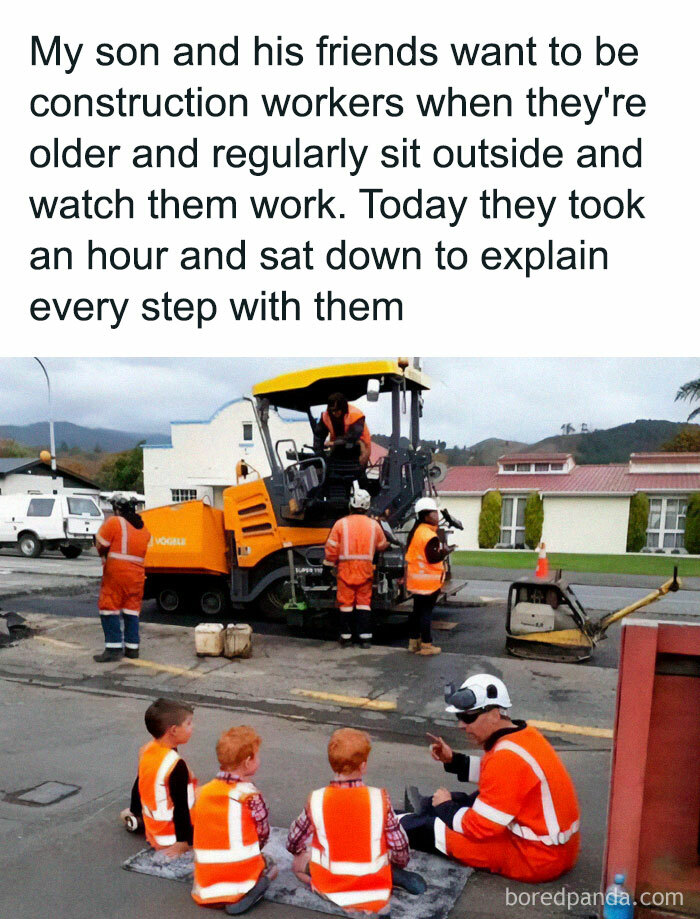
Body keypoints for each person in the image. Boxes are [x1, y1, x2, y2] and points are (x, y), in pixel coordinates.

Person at [400, 674, 580, 883]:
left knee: (433, 830)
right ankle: (425, 807)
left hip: (534, 858)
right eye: (459, 716)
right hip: (556, 849)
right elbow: (497, 777)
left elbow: (480, 828)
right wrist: (453, 760)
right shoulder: (523, 736)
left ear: (494, 714)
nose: (461, 725)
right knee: (466, 800)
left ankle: (390, 822)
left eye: (468, 717)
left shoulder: (507, 757)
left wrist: (445, 808)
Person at [286, 727, 425, 914]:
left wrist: (299, 853)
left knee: (298, 866)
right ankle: (391, 875)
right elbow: (399, 845)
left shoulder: (317, 798)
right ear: (363, 766)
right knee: (381, 854)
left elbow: (294, 839)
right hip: (374, 883)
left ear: (332, 763)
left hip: (333, 883)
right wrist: (397, 862)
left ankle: (334, 894)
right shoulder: (379, 797)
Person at [191, 726, 278, 915]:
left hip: (206, 886)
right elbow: (262, 833)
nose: (259, 760)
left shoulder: (203, 793)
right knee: (273, 868)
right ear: (248, 762)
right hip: (242, 876)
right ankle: (252, 890)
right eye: (257, 756)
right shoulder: (250, 796)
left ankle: (222, 892)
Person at [121, 698, 197, 858]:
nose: (192, 727)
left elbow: (140, 784)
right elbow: (181, 807)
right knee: (219, 800)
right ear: (173, 730)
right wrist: (183, 843)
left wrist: (135, 810)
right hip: (171, 835)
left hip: (154, 827)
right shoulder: (176, 765)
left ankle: (136, 818)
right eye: (189, 723)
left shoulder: (147, 750)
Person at [324, 482, 388, 648]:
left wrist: (328, 565)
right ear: (367, 506)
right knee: (363, 604)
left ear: (351, 504)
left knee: (345, 605)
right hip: (365, 570)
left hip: (345, 570)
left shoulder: (340, 524)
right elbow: (382, 545)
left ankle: (346, 637)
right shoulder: (374, 525)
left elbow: (331, 548)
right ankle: (365, 639)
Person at [93, 492, 150, 663]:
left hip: (117, 575)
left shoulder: (114, 522)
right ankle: (132, 648)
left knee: (108, 608)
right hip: (137, 577)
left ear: (117, 509)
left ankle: (113, 648)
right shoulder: (144, 530)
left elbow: (100, 544)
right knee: (131, 610)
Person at [404, 497, 454, 656]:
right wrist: (445, 551)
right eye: (434, 512)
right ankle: (426, 645)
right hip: (428, 583)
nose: (437, 514)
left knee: (417, 612)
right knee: (425, 614)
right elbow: (433, 557)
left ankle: (414, 643)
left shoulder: (417, 532)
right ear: (426, 515)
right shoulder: (429, 535)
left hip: (416, 581)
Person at [313, 393, 372, 468]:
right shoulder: (326, 416)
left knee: (357, 470)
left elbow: (352, 437)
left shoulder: (355, 414)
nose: (334, 413)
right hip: (337, 450)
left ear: (343, 407)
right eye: (332, 410)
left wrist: (333, 443)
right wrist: (319, 454)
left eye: (337, 410)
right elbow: (318, 435)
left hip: (360, 449)